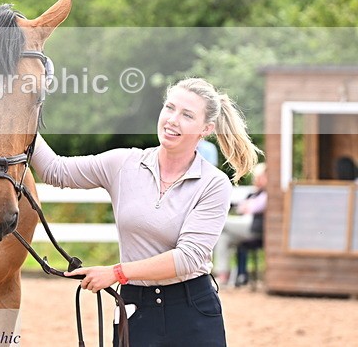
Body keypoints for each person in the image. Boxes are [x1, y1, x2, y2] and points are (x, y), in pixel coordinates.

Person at [31, 77, 263, 346]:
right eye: (170, 108)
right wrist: (19, 115)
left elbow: (189, 257)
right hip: (135, 309)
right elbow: (55, 170)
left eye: (187, 115)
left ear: (206, 129)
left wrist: (116, 273)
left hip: (192, 311)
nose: (173, 120)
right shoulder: (123, 163)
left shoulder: (213, 184)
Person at [213, 163, 267, 286]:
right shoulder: (255, 193)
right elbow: (241, 208)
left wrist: (248, 206)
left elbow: (253, 207)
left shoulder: (267, 194)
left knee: (222, 222)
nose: (256, 180)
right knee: (223, 238)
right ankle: (223, 276)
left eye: (260, 177)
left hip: (255, 229)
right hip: (245, 226)